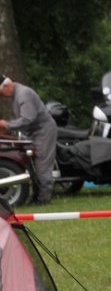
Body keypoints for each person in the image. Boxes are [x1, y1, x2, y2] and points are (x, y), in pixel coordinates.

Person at [0, 76, 58, 204]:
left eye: (1, 92)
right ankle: (37, 196)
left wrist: (7, 125)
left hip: (43, 131)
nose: (2, 96)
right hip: (33, 132)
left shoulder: (23, 95)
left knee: (42, 165)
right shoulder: (17, 94)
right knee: (33, 165)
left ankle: (44, 199)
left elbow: (28, 118)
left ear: (6, 86)